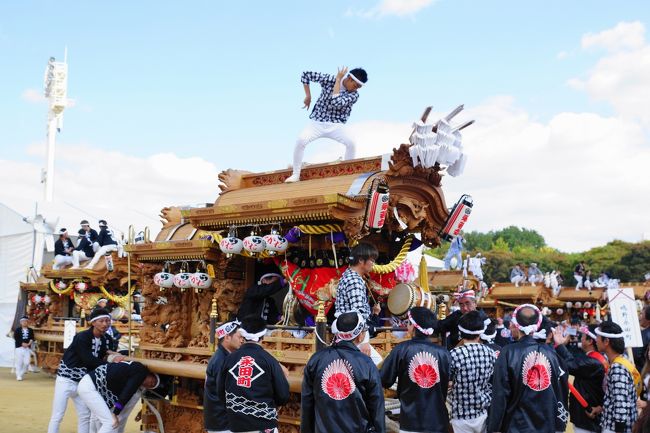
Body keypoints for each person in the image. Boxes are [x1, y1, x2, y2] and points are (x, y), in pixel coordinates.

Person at [487, 304, 569, 433]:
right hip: (547, 424)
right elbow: (561, 390)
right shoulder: (551, 353)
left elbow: (500, 394)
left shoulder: (508, 352)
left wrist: (494, 427)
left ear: (516, 324)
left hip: (516, 425)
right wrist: (560, 424)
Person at [303, 311, 385, 433]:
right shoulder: (367, 364)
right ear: (360, 336)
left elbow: (307, 404)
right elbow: (376, 407)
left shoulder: (316, 360)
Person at [285, 66, 368, 183]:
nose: (356, 90)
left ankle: (348, 175)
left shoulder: (354, 95)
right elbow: (305, 75)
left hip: (336, 126)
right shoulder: (329, 79)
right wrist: (308, 95)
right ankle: (295, 174)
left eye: (359, 88)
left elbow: (336, 102)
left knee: (351, 143)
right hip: (317, 122)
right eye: (355, 86)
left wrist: (338, 81)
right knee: (301, 140)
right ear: (349, 79)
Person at [47, 308, 124, 433]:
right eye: (101, 321)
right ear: (93, 323)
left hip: (82, 383)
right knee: (57, 415)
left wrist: (111, 354)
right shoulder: (82, 337)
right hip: (66, 379)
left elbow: (101, 354)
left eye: (107, 321)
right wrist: (110, 365)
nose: (105, 324)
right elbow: (88, 359)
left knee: (85, 416)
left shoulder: (105, 339)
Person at [218, 316, 290, 433]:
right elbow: (283, 395)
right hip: (264, 425)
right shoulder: (269, 360)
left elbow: (220, 392)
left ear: (243, 336)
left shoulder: (229, 359)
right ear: (262, 337)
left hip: (236, 425)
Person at [552, 324, 607, 433]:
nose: (580, 338)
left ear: (590, 341)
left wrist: (559, 344)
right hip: (589, 416)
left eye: (582, 336)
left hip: (588, 419)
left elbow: (571, 364)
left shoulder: (593, 362)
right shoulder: (594, 358)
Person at [77, 360, 159, 433]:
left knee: (100, 420)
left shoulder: (132, 370)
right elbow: (127, 393)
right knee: (110, 423)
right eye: (152, 381)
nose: (150, 384)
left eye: (151, 386)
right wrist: (115, 413)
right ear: (150, 374)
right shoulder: (141, 372)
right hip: (90, 386)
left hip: (90, 385)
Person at [449, 311, 496, 433]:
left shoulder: (454, 354)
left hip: (460, 415)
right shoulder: (490, 353)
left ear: (460, 332)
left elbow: (448, 381)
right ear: (481, 332)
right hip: (482, 412)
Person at [595, 321, 640, 433]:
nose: (596, 340)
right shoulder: (623, 359)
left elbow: (620, 406)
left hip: (615, 428)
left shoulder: (617, 368)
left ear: (606, 341)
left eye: (598, 337)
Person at [204, 321, 243, 433]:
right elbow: (229, 393)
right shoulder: (221, 361)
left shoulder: (222, 357)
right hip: (222, 424)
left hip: (220, 421)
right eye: (239, 337)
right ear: (227, 338)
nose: (242, 340)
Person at [13, 315, 34, 381]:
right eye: (23, 321)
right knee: (19, 362)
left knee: (27, 362)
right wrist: (22, 343)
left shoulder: (30, 330)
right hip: (19, 348)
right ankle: (18, 375)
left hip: (27, 349)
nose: (24, 322)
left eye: (26, 321)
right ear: (21, 322)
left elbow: (32, 338)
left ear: (28, 322)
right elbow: (16, 338)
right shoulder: (17, 330)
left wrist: (28, 344)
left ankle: (21, 374)